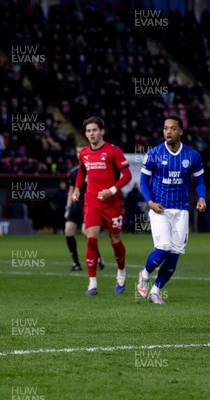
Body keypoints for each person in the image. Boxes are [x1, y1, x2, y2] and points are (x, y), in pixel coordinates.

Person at [136, 116, 207, 304]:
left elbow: (199, 180)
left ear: (180, 131)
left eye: (173, 128)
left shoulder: (192, 155)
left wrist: (201, 197)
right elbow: (143, 181)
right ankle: (144, 274)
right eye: (165, 128)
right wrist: (150, 202)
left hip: (181, 210)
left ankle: (156, 290)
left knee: (174, 254)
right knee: (163, 248)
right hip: (160, 208)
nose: (168, 132)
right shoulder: (154, 154)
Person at [73, 116, 131, 296]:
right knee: (91, 239)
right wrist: (76, 189)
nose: (91, 134)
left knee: (115, 241)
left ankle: (121, 273)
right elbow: (82, 171)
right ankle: (92, 284)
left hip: (112, 203)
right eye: (88, 131)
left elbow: (127, 175)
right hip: (91, 202)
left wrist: (111, 190)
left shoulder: (114, 151)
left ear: (102, 131)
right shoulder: (84, 153)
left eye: (94, 130)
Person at [65, 144, 105, 271]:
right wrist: (68, 207)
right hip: (76, 204)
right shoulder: (73, 172)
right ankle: (76, 263)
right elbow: (71, 190)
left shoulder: (94, 168)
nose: (79, 154)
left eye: (81, 151)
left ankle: (97, 257)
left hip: (89, 203)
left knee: (86, 232)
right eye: (77, 152)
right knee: (68, 231)